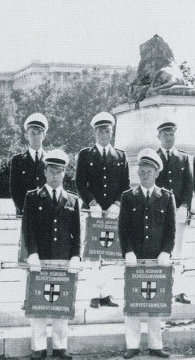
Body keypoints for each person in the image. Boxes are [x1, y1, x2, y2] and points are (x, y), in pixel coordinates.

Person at [22, 149, 81, 360]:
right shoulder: (33, 197)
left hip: (63, 258)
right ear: (45, 172)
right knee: (38, 304)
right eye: (51, 170)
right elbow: (28, 229)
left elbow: (77, 232)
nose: (55, 175)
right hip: (42, 258)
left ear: (65, 173)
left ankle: (59, 346)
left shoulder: (72, 200)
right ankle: (38, 347)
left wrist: (76, 256)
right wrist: (33, 254)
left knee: (61, 305)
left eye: (59, 171)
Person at [119, 149, 175, 359]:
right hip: (135, 258)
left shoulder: (166, 197)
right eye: (141, 170)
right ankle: (132, 345)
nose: (145, 174)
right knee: (133, 301)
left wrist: (166, 252)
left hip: (156, 259)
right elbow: (123, 229)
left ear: (156, 173)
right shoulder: (128, 197)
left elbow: (170, 230)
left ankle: (155, 344)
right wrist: (128, 252)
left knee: (155, 303)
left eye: (149, 171)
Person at [76, 112, 128, 309]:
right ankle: (92, 294)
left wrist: (116, 204)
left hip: (112, 213)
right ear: (94, 132)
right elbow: (79, 183)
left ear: (112, 132)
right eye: (99, 130)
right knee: (91, 254)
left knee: (111, 254)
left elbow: (124, 184)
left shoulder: (120, 155)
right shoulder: (85, 155)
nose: (103, 134)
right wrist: (92, 203)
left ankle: (106, 293)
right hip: (93, 212)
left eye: (106, 130)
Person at [151, 120, 195, 305]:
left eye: (171, 134)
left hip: (178, 212)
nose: (169, 138)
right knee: (159, 251)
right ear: (159, 137)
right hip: (159, 213)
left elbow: (188, 184)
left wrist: (185, 206)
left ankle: (179, 290)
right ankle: (161, 289)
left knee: (179, 251)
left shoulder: (183, 158)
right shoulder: (153, 157)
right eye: (165, 134)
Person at [10, 113, 49, 217]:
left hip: (46, 212)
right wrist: (22, 209)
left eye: (39, 133)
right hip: (24, 212)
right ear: (26, 136)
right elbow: (14, 189)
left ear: (44, 135)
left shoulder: (49, 160)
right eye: (32, 133)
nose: (36, 137)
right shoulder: (17, 160)